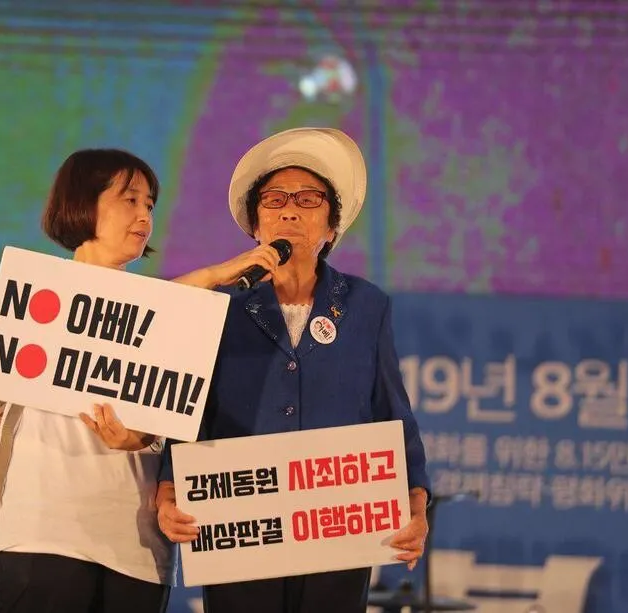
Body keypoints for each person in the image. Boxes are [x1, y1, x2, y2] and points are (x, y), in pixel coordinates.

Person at [0, 148, 284, 613]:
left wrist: (139, 437)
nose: (144, 215)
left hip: (134, 549)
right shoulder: (39, 294)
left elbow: (164, 426)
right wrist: (209, 276)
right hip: (39, 537)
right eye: (130, 199)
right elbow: (101, 302)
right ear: (84, 203)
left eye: (150, 205)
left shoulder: (174, 316)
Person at [155, 127, 431, 613]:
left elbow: (391, 408)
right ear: (255, 226)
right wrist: (167, 485)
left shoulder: (366, 306)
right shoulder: (221, 307)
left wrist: (415, 494)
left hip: (338, 526)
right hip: (240, 525)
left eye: (308, 199)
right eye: (274, 199)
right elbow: (188, 408)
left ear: (331, 226)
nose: (289, 209)